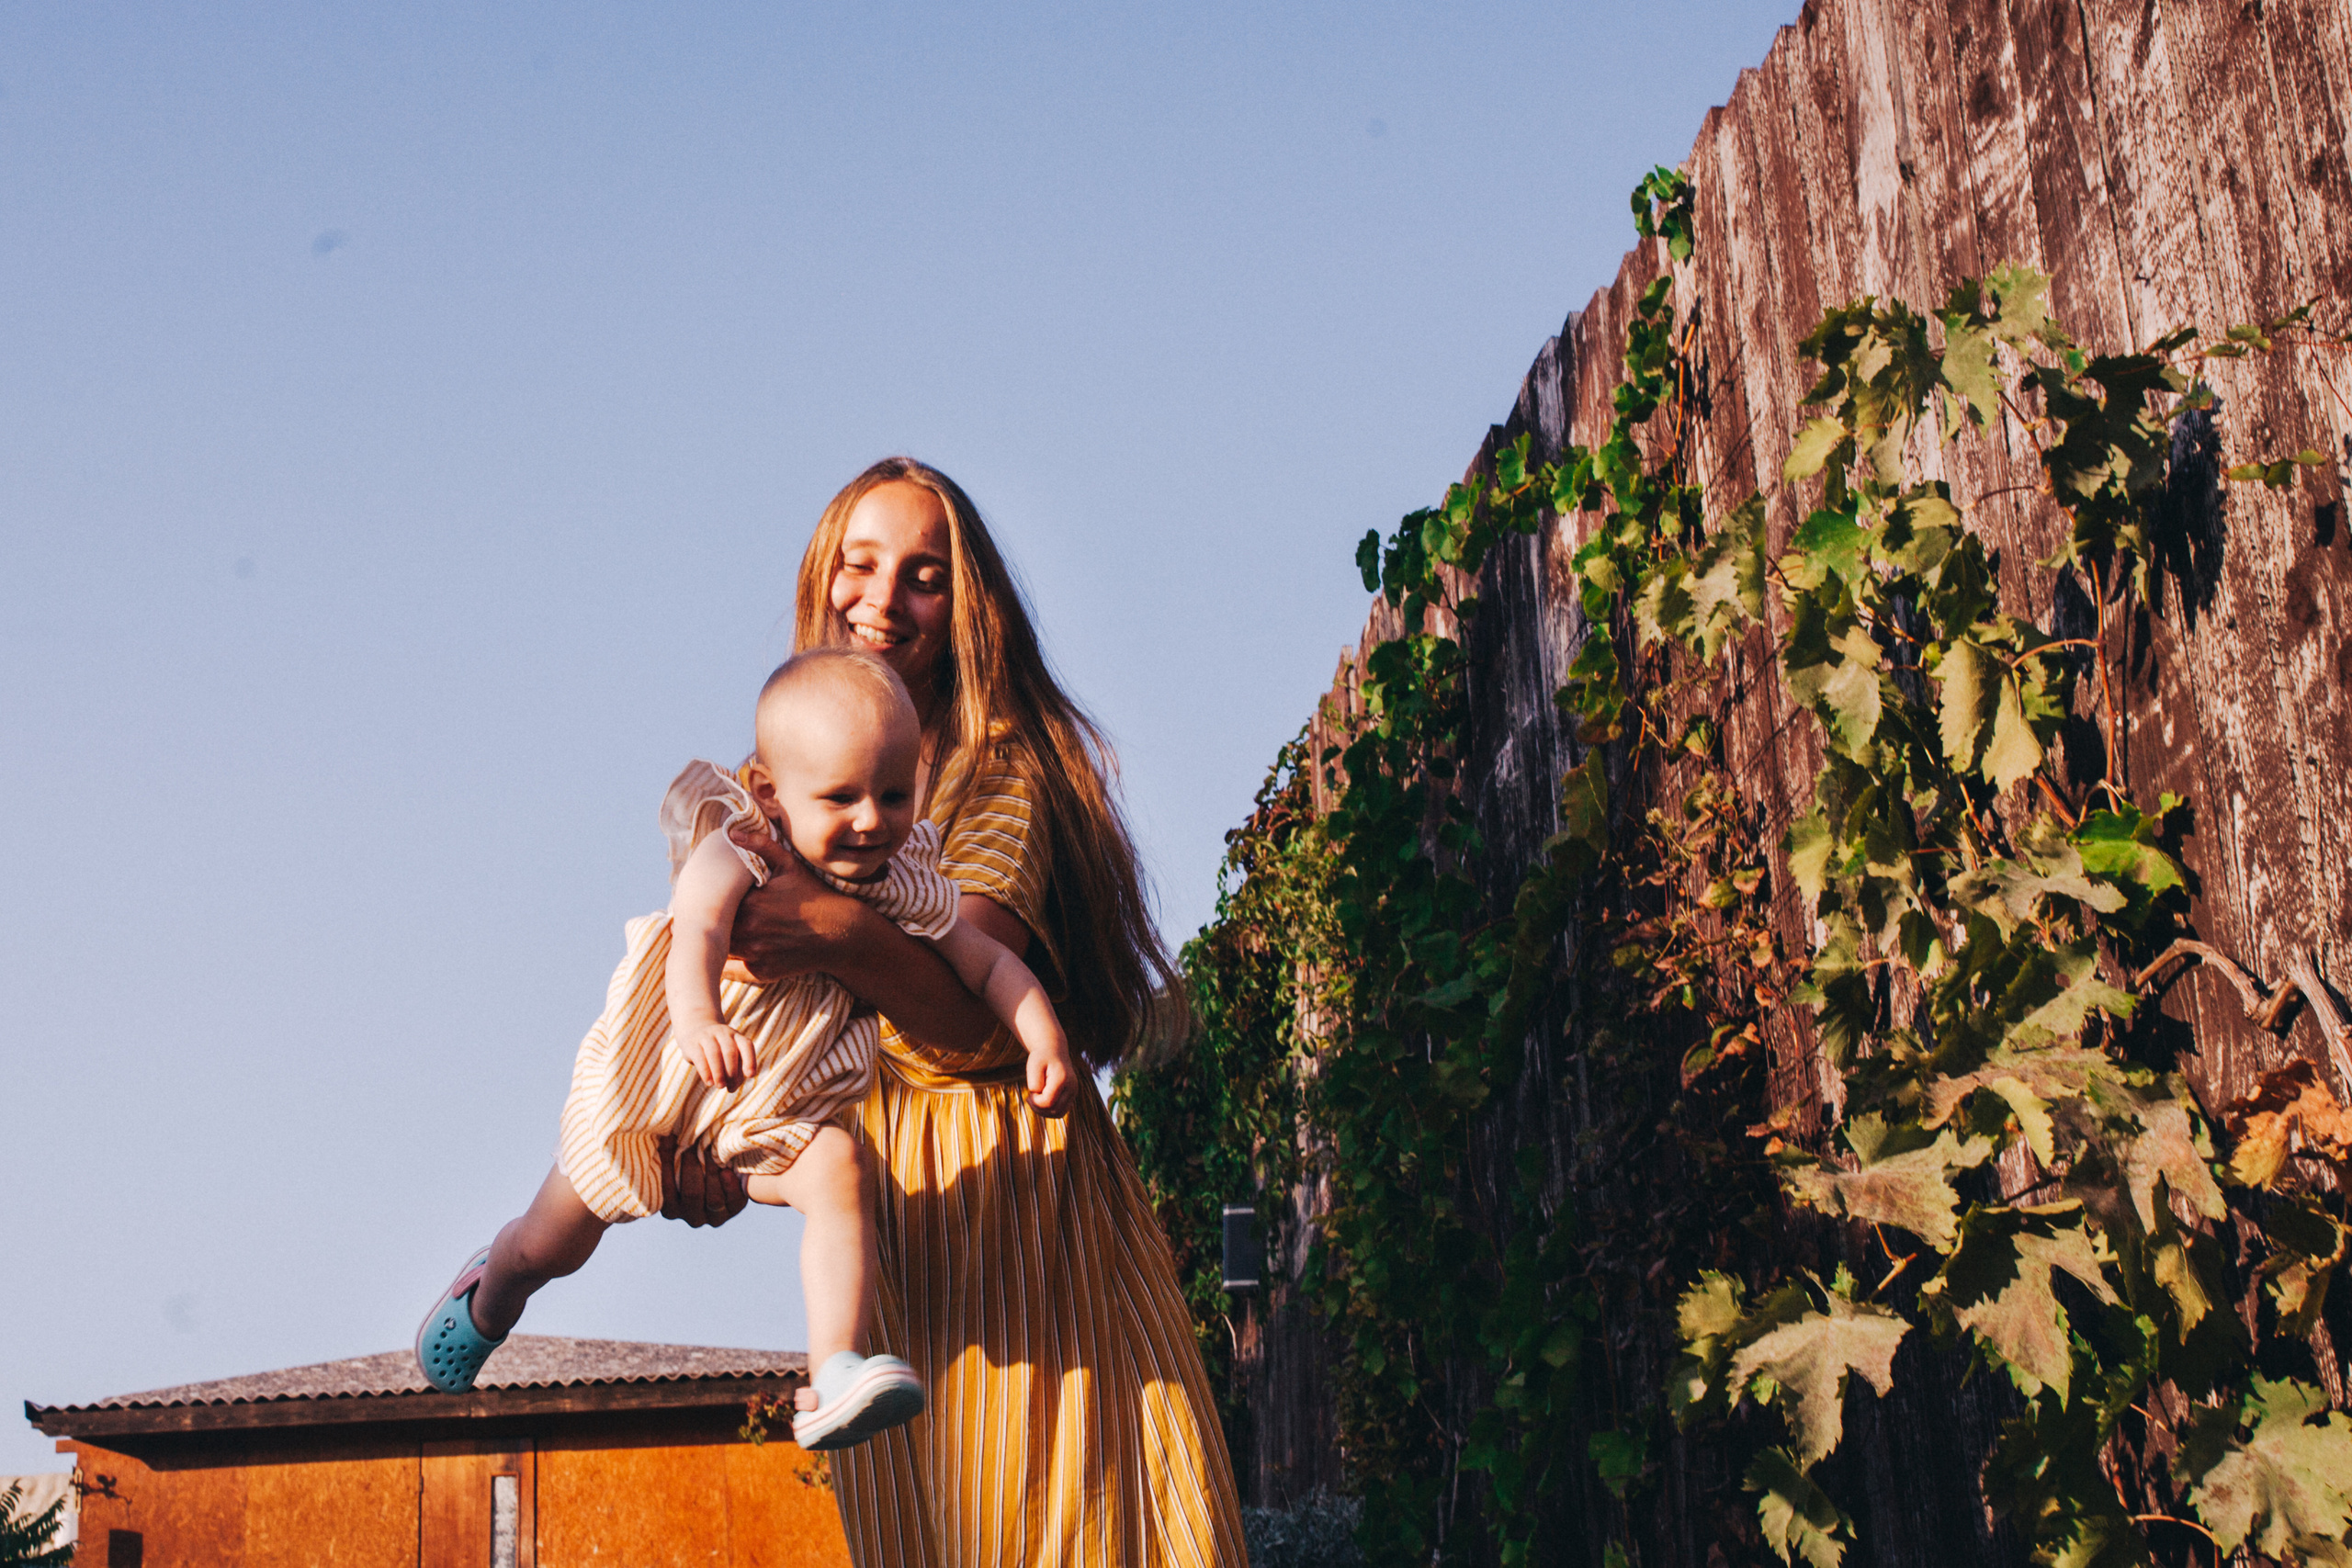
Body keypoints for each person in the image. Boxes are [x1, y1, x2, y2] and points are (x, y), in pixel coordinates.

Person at [703, 457, 1249, 1566]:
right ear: (820, 576)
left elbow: (966, 1025)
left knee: (1060, 1522)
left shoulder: (996, 767)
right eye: (860, 565)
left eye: (924, 575)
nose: (883, 600)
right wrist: (714, 1146)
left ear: (967, 605)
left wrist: (834, 930)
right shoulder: (798, 775)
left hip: (1007, 1198)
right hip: (895, 1217)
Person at [414, 646, 1077, 1453]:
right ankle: (493, 1292)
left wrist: (1041, 1035)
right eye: (841, 797)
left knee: (842, 1170)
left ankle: (834, 1369)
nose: (872, 819)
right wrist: (698, 1020)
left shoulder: (904, 880)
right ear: (769, 791)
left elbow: (987, 963)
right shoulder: (743, 847)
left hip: (771, 1105)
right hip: (660, 1080)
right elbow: (697, 926)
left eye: (894, 794)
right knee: (554, 1242)